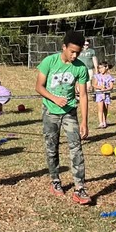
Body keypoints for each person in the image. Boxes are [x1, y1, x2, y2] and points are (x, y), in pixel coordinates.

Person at [35, 30, 91, 204]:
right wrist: (54, 99)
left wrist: (84, 121)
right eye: (72, 51)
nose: (74, 55)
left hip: (69, 113)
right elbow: (39, 87)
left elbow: (83, 95)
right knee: (52, 148)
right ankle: (55, 180)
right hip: (50, 112)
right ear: (64, 47)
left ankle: (80, 188)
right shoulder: (49, 62)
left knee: (76, 149)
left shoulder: (81, 68)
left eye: (78, 52)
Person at [93, 61, 115, 129]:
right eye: (99, 68)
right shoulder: (97, 76)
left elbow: (111, 87)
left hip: (106, 94)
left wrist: (105, 89)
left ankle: (104, 121)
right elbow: (94, 85)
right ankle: (100, 122)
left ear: (106, 67)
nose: (100, 70)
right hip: (99, 94)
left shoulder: (109, 77)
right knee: (100, 108)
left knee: (105, 108)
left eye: (102, 68)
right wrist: (100, 87)